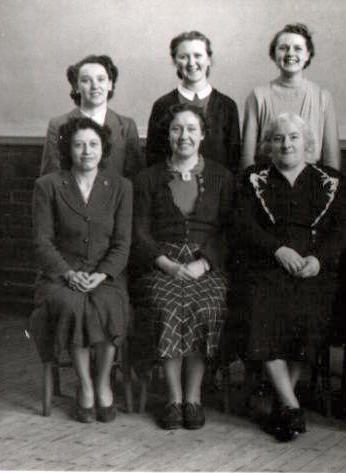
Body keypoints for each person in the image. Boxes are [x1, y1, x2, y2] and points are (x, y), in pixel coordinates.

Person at [235, 112, 346, 441]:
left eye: (294, 137)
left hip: (313, 268)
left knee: (310, 312)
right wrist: (277, 249)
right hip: (266, 265)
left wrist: (319, 258)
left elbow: (343, 229)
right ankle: (289, 402)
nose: (286, 144)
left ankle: (284, 405)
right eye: (278, 138)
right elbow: (244, 224)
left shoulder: (329, 180)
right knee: (261, 309)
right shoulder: (253, 178)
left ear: (308, 144)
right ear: (268, 146)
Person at [132, 103, 234, 430]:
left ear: (203, 134)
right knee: (167, 306)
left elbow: (230, 230)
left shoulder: (221, 176)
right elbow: (139, 231)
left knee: (206, 306)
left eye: (191, 129)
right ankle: (174, 399)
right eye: (177, 129)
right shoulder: (148, 178)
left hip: (207, 266)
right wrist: (166, 264)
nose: (184, 136)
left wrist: (205, 263)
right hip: (162, 264)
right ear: (168, 135)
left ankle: (194, 397)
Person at [29, 117, 133, 423]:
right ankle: (85, 386)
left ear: (104, 148)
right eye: (78, 144)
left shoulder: (120, 187)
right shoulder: (47, 186)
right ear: (67, 148)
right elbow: (42, 242)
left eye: (93, 144)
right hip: (59, 276)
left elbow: (123, 243)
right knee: (74, 306)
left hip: (106, 275)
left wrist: (101, 274)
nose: (86, 151)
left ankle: (103, 383)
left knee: (107, 303)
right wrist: (69, 274)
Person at [241, 23, 340, 170]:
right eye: (283, 48)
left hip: (311, 185)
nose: (290, 53)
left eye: (298, 48)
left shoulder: (322, 97)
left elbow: (332, 161)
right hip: (266, 183)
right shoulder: (258, 97)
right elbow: (247, 159)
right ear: (274, 54)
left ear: (307, 55)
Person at [145, 31, 240, 172]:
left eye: (198, 55)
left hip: (217, 189)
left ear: (209, 60)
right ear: (175, 62)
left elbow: (233, 160)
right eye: (183, 57)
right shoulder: (162, 106)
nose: (191, 63)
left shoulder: (227, 106)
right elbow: (153, 159)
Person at [40, 54, 143, 178]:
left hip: (116, 197)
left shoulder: (126, 126)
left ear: (110, 84)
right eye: (86, 80)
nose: (95, 86)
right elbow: (50, 177)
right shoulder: (58, 125)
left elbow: (135, 177)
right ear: (76, 87)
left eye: (101, 79)